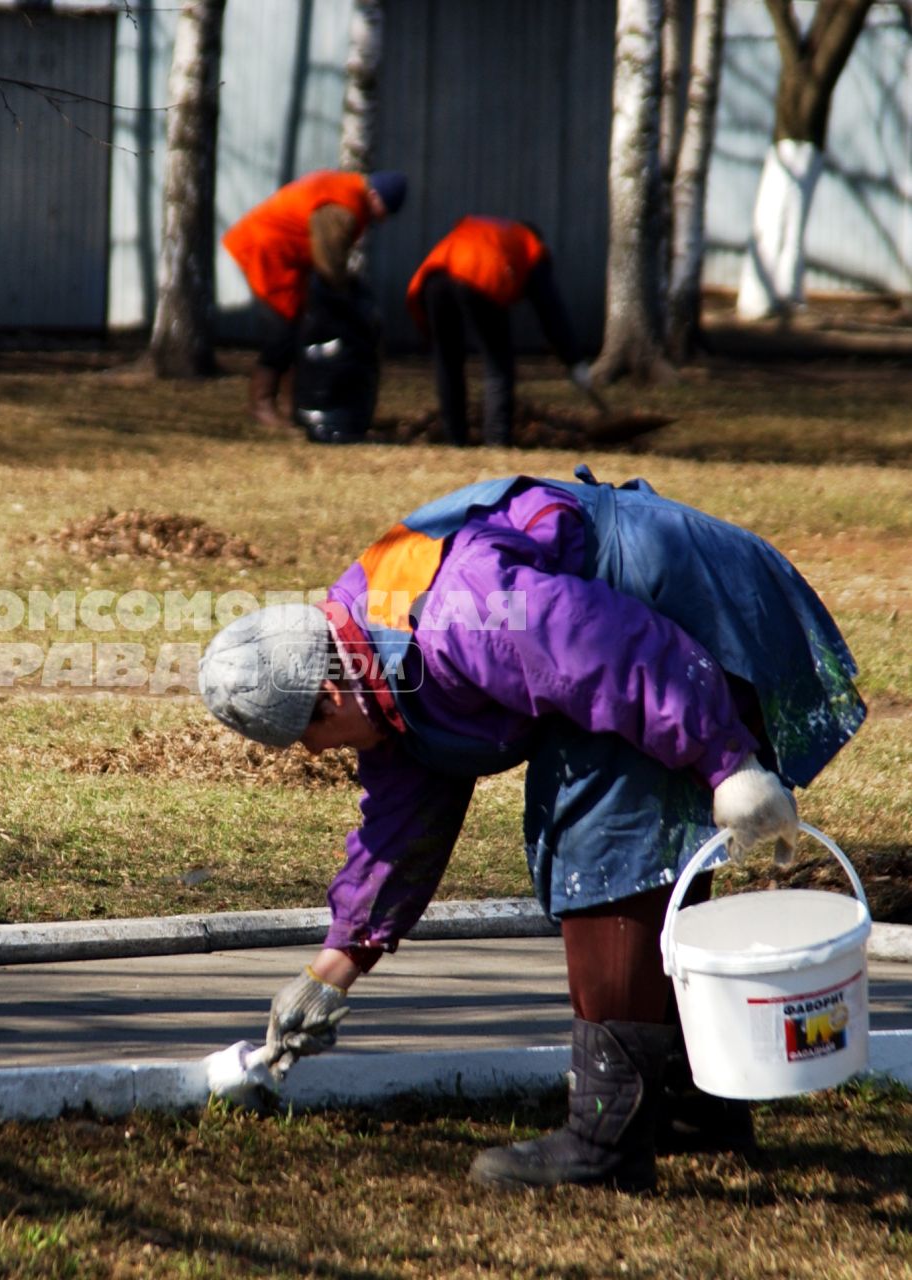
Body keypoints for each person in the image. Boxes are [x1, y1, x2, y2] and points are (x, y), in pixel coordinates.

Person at [196, 468, 865, 1191]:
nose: (319, 755)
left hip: (695, 622)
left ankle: (607, 1140)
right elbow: (405, 818)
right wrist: (333, 968)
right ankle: (692, 1106)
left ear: (328, 695)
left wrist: (727, 762)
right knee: (621, 856)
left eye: (308, 739)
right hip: (649, 649)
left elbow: (613, 655)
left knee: (598, 847)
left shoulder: (466, 613)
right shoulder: (370, 653)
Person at [223, 169, 408, 426]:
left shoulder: (347, 190)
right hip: (268, 252)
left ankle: (295, 405)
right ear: (374, 196)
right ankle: (261, 404)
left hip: (284, 257)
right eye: (384, 210)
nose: (383, 220)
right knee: (284, 331)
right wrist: (344, 296)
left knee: (300, 329)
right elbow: (329, 259)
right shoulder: (345, 205)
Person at [406, 216, 592, 447]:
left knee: (448, 360)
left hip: (435, 277)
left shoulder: (491, 231)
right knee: (498, 365)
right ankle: (496, 441)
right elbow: (549, 308)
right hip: (481, 276)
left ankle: (454, 439)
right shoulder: (531, 245)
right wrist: (574, 360)